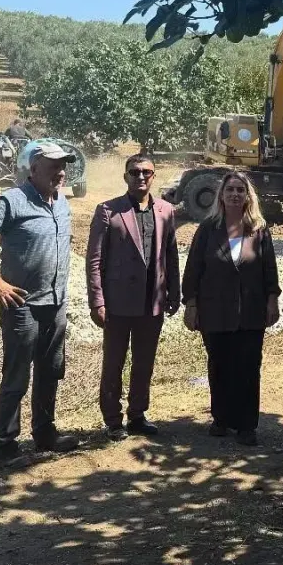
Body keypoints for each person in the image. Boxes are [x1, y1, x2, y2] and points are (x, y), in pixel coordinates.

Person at [0, 142, 79, 467]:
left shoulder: (61, 203)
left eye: (63, 165)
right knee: (16, 376)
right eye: (54, 165)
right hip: (22, 307)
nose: (61, 171)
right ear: (33, 167)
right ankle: (7, 447)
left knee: (50, 371)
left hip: (55, 304)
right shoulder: (12, 202)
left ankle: (45, 433)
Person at [86, 154, 181, 441]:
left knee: (144, 362)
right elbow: (94, 260)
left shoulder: (166, 211)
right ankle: (113, 420)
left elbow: (171, 256)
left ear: (154, 176)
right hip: (117, 303)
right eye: (134, 172)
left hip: (152, 302)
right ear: (125, 176)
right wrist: (97, 300)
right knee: (114, 361)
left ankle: (137, 415)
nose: (141, 177)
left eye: (146, 173)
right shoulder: (108, 211)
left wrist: (174, 292)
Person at [182, 172, 281, 446]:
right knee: (219, 365)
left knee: (248, 368)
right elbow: (193, 270)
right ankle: (221, 419)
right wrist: (190, 303)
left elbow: (269, 268)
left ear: (248, 196)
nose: (235, 194)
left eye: (241, 190)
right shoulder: (208, 229)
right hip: (215, 311)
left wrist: (272, 299)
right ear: (221, 196)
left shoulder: (259, 229)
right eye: (230, 190)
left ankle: (247, 425)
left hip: (251, 312)